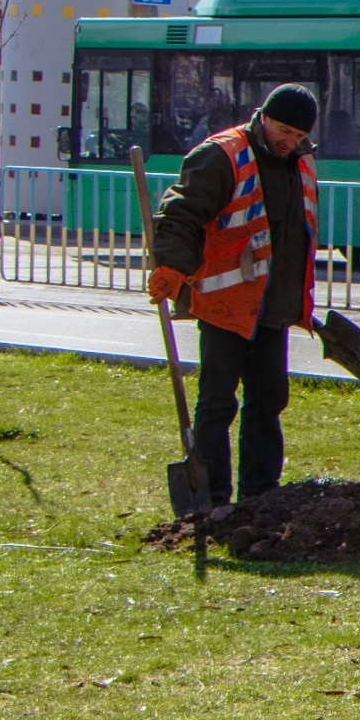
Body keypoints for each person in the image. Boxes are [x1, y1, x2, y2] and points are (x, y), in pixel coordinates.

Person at [148, 84, 321, 508]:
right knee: (217, 402)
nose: (289, 142)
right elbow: (181, 213)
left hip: (273, 305)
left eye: (298, 136)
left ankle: (260, 495)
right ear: (263, 116)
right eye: (283, 131)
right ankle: (214, 496)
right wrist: (172, 265)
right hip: (225, 302)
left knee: (268, 401)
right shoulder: (221, 155)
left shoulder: (299, 161)